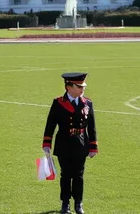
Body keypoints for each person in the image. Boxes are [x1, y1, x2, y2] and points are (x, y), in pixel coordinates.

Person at [42, 73, 98, 214]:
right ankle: (65, 203)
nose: (82, 89)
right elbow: (50, 124)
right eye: (78, 86)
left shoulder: (87, 103)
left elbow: (91, 127)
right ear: (68, 87)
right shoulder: (59, 102)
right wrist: (47, 143)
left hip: (81, 144)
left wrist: (93, 146)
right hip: (64, 144)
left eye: (83, 86)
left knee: (79, 175)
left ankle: (78, 203)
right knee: (66, 175)